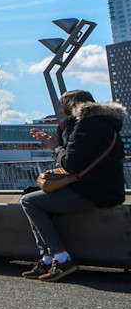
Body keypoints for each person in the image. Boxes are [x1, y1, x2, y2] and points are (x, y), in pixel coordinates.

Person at [22, 90, 126, 282]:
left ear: (71, 105)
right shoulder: (107, 125)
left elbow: (71, 164)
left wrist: (55, 147)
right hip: (108, 189)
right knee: (34, 195)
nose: (61, 111)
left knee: (30, 201)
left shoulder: (85, 126)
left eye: (63, 105)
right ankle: (47, 258)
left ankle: (61, 258)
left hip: (92, 192)